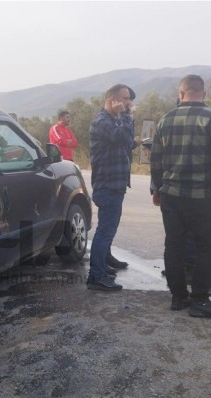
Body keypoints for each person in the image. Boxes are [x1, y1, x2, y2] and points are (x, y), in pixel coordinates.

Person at [150, 74, 211, 317]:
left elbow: (156, 159)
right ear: (203, 93)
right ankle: (199, 300)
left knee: (173, 245)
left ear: (181, 92)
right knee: (208, 247)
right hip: (200, 196)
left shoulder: (166, 119)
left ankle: (178, 297)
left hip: (171, 195)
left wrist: (156, 189)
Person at [86, 84, 142, 291]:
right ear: (113, 99)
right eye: (126, 98)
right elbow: (121, 137)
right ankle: (96, 276)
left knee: (108, 229)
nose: (129, 103)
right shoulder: (102, 121)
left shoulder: (113, 120)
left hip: (114, 184)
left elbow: (126, 141)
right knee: (105, 231)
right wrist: (127, 116)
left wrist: (127, 123)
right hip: (107, 184)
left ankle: (103, 264)